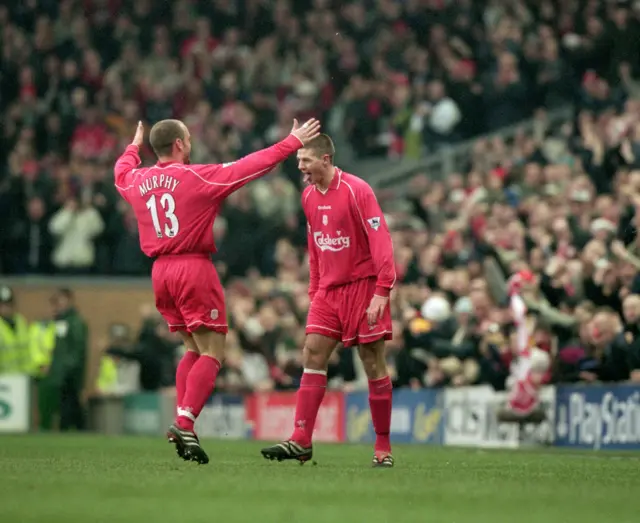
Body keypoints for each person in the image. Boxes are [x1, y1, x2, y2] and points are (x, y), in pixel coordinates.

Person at [113, 118, 321, 464]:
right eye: (189, 138)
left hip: (160, 271)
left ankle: (185, 425)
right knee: (213, 351)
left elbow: (121, 172)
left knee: (192, 348)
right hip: (192, 267)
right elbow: (250, 166)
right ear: (179, 144)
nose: (191, 142)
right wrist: (291, 142)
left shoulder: (137, 180)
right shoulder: (196, 177)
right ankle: (185, 422)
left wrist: (133, 147)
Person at [260, 134, 397, 467]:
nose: (301, 167)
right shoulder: (307, 196)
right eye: (298, 161)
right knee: (312, 352)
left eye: (305, 160)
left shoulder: (357, 190)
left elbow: (381, 240)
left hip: (363, 287)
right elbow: (315, 246)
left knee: (371, 362)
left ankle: (382, 446)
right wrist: (314, 290)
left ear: (325, 159)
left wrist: (383, 289)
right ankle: (301, 439)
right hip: (328, 291)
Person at [497, 271, 551, 423]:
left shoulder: (539, 309)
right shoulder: (517, 318)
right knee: (515, 377)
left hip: (535, 361)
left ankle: (531, 407)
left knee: (535, 363)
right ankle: (519, 407)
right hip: (523, 361)